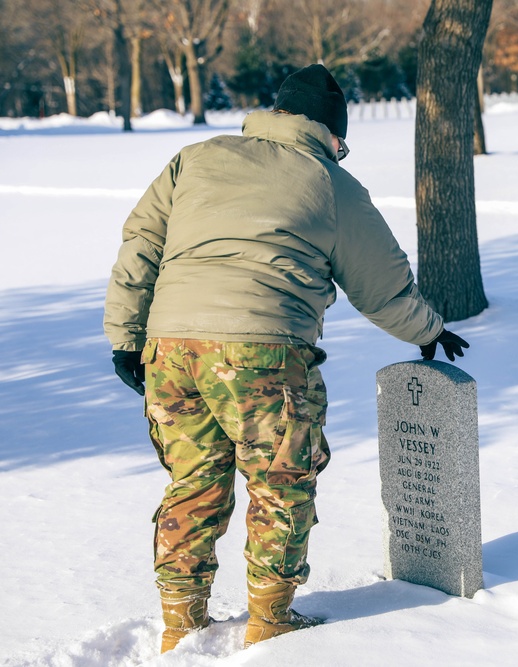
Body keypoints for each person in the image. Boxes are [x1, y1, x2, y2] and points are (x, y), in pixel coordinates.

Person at [103, 64, 469, 653]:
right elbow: (382, 287)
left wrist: (125, 336)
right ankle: (270, 620)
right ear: (331, 131)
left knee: (192, 482)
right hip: (265, 350)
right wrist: (426, 330)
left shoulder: (194, 158)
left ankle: (179, 622)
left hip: (171, 349)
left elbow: (141, 245)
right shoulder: (331, 184)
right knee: (279, 483)